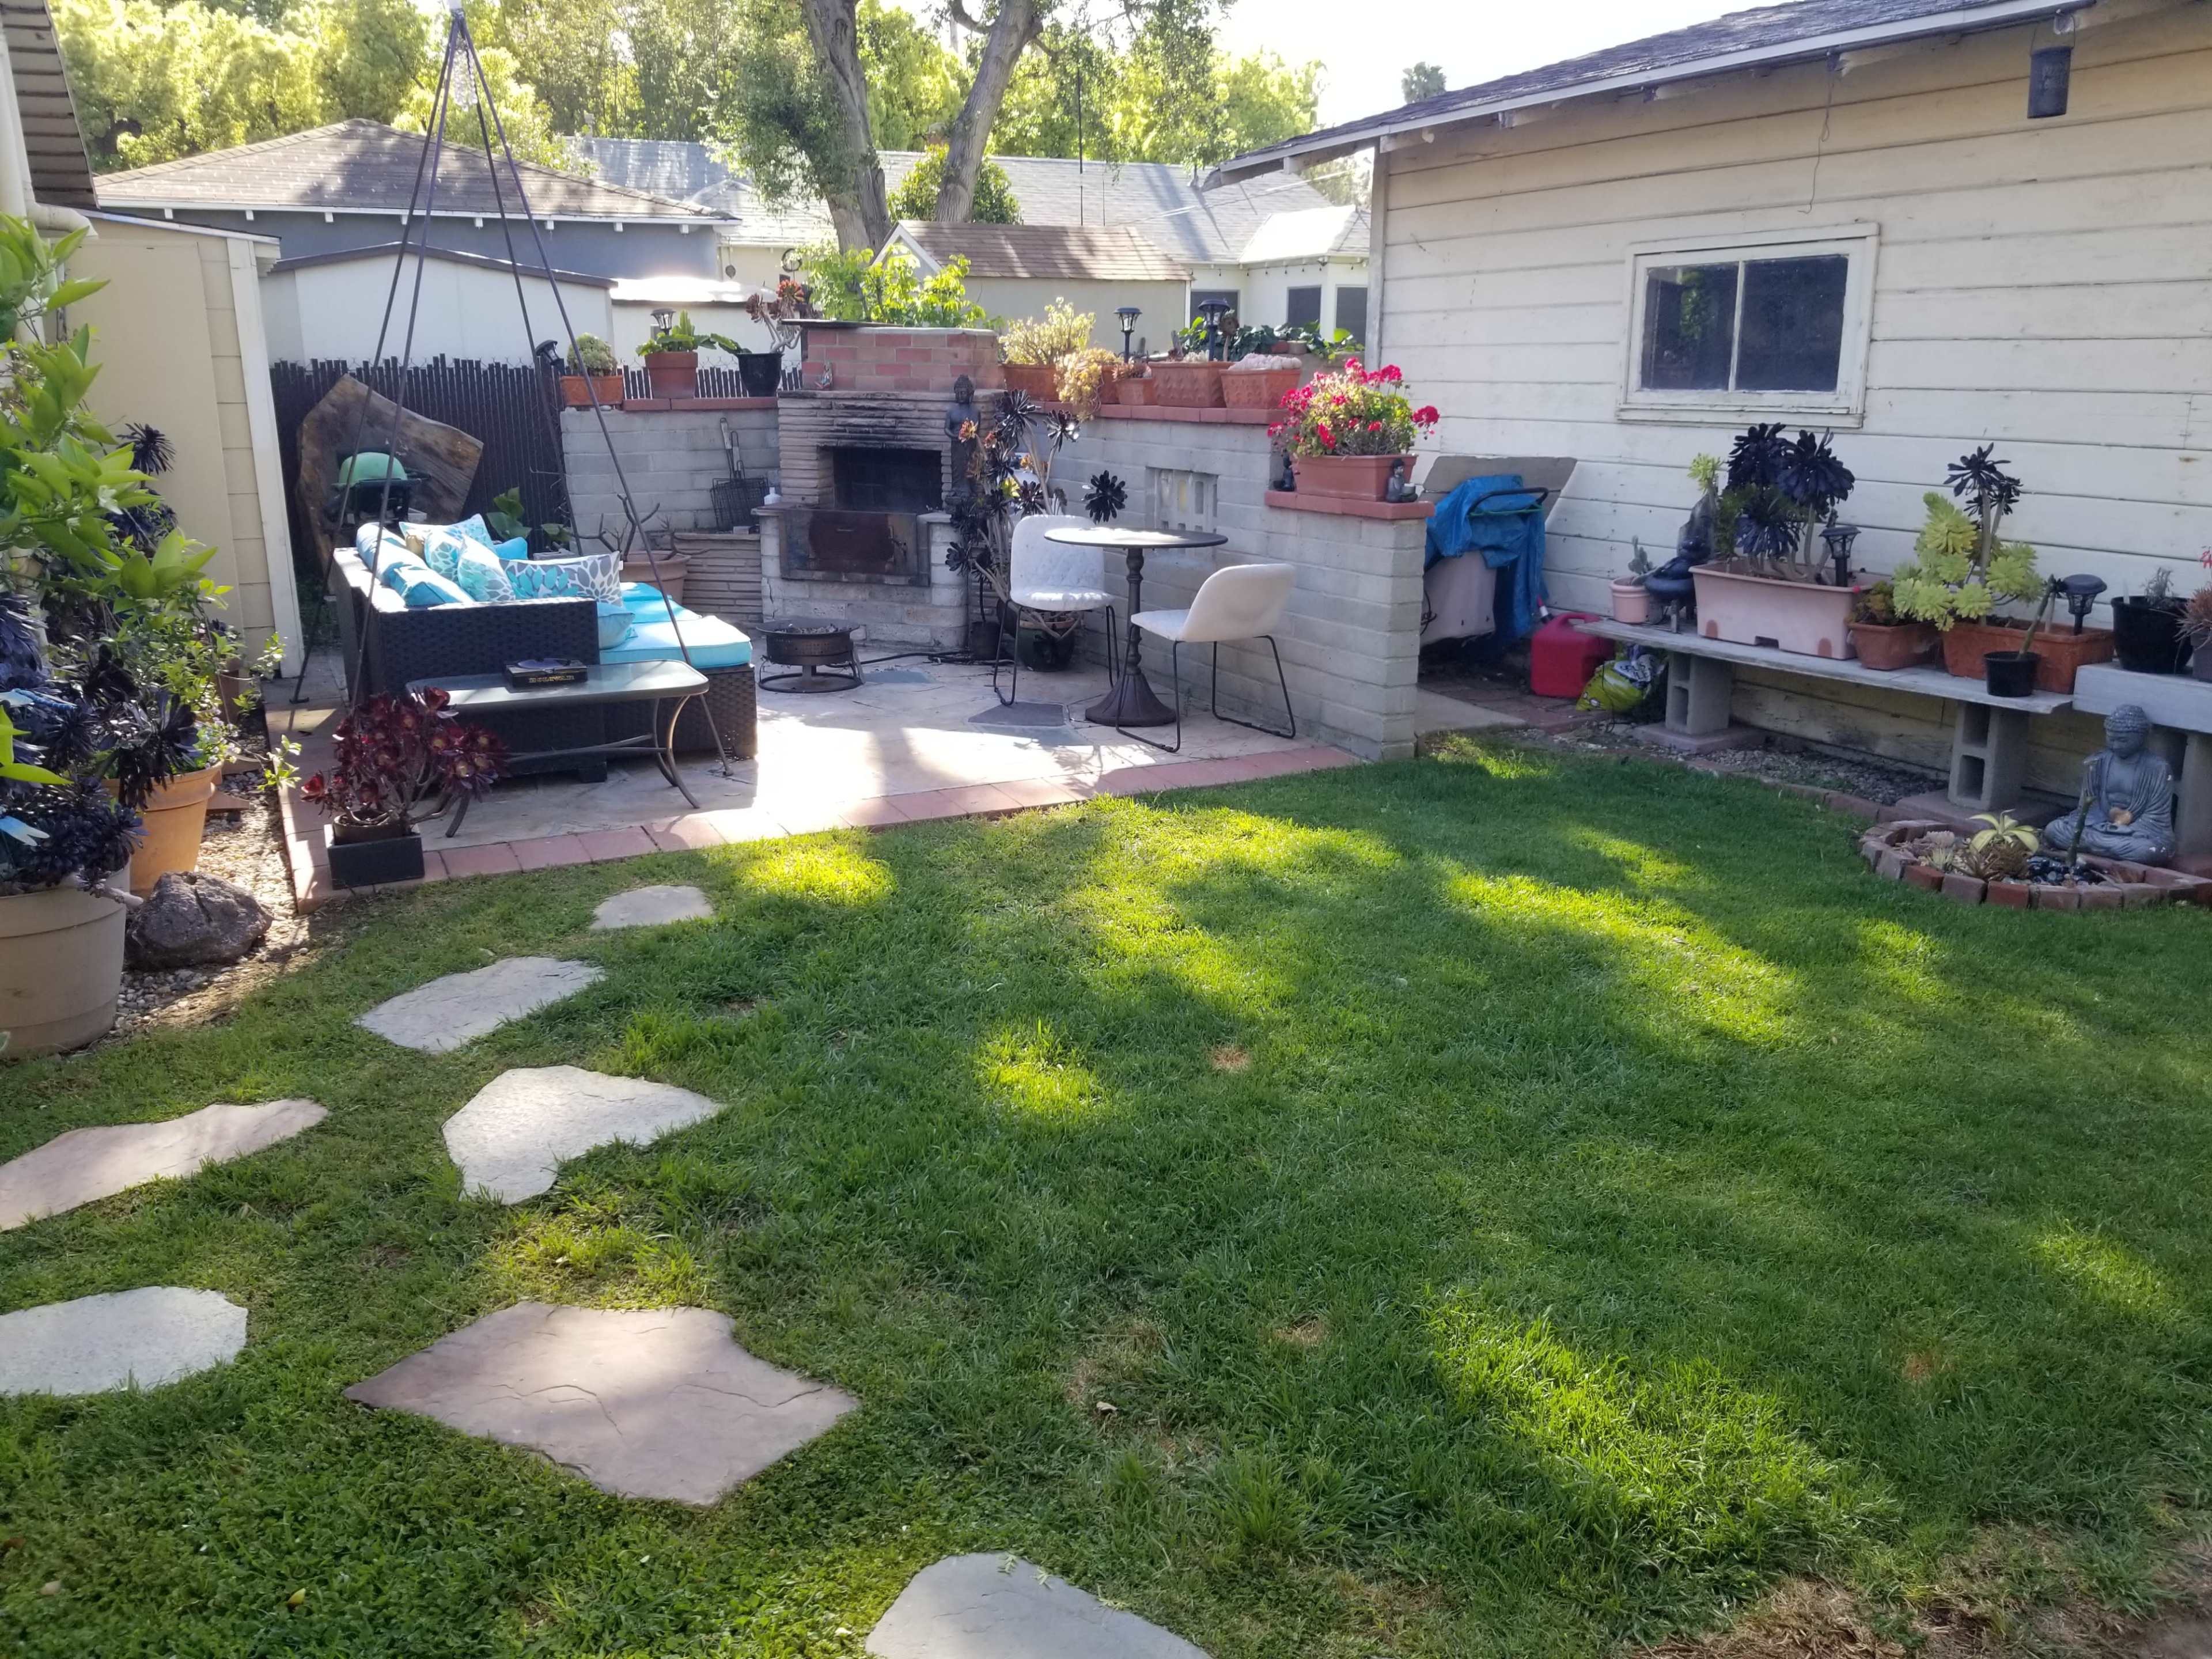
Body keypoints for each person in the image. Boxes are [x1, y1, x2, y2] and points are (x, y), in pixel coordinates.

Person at [2043, 703, 2176, 864]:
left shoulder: (2158, 768)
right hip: (2099, 827)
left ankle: (2095, 847)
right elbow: (2086, 807)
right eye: (2111, 738)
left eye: (2123, 740)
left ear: (2142, 737)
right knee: (2053, 830)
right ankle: (2103, 847)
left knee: (2149, 851)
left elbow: (2156, 817)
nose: (2115, 745)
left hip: (2136, 833)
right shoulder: (2098, 762)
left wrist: (2124, 829)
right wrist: (2103, 826)